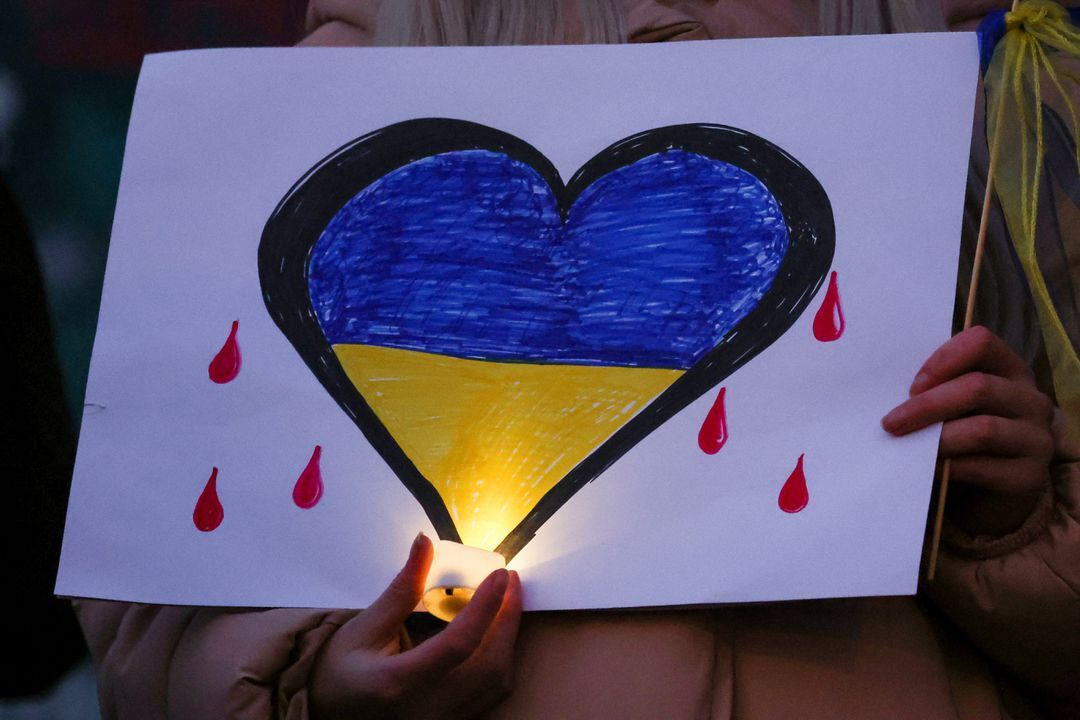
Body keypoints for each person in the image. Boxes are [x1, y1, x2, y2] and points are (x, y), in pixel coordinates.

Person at [76, 1, 1080, 718]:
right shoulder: (319, 101)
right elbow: (155, 598)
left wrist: (1007, 521)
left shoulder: (993, 98)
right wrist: (314, 680)